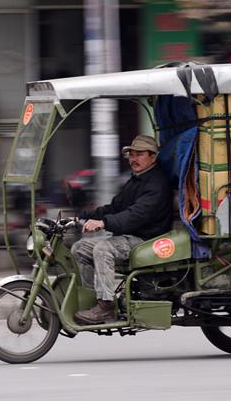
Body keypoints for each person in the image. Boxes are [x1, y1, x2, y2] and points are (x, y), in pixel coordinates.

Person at [72, 135, 173, 325]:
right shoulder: (136, 180)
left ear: (153, 156)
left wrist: (103, 223)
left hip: (146, 240)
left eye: (140, 154)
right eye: (131, 154)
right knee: (80, 248)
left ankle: (106, 307)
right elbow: (115, 207)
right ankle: (91, 298)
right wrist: (83, 217)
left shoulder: (157, 184)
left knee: (103, 248)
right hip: (130, 235)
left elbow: (134, 215)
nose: (134, 159)